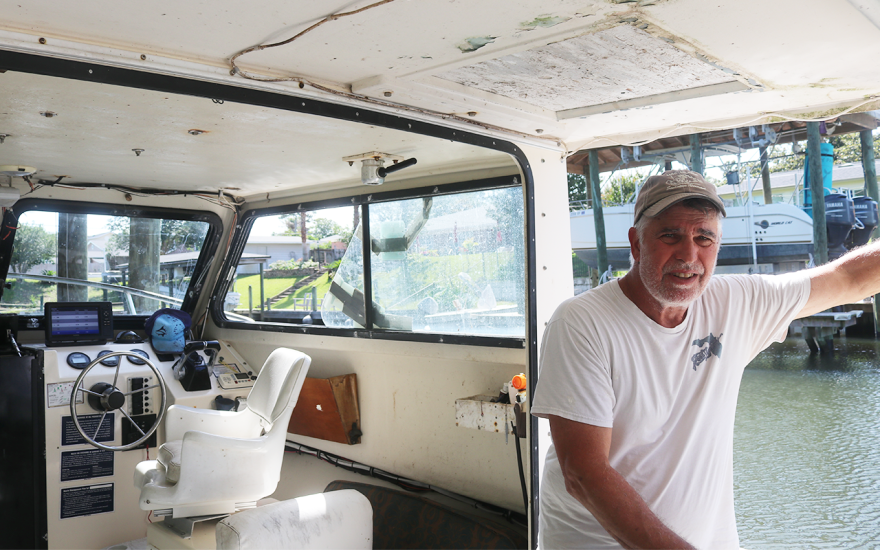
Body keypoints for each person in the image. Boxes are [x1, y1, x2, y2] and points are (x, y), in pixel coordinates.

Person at [531, 169, 880, 549]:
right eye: (670, 235)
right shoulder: (582, 322)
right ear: (636, 242)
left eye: (704, 237)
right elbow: (583, 472)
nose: (688, 254)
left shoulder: (736, 302)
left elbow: (848, 278)